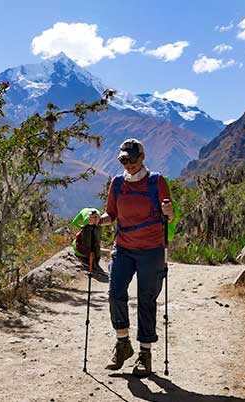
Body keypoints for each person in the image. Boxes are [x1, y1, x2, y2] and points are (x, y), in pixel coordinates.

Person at [89, 138, 174, 377]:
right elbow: (111, 215)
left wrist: (170, 212)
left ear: (142, 158)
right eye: (124, 160)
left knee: (146, 300)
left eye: (132, 160)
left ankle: (145, 355)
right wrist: (98, 220)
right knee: (115, 294)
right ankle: (123, 343)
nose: (128, 165)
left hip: (151, 250)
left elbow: (170, 216)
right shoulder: (117, 184)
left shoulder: (157, 182)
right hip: (124, 248)